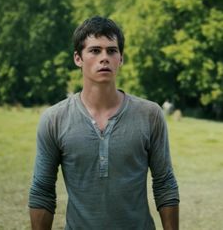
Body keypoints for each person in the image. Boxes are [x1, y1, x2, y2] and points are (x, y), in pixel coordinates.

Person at [29, 16, 179, 230]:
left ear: (121, 59)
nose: (104, 57)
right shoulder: (54, 119)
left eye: (112, 50)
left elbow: (165, 184)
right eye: (94, 50)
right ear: (77, 58)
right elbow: (42, 191)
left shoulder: (150, 114)